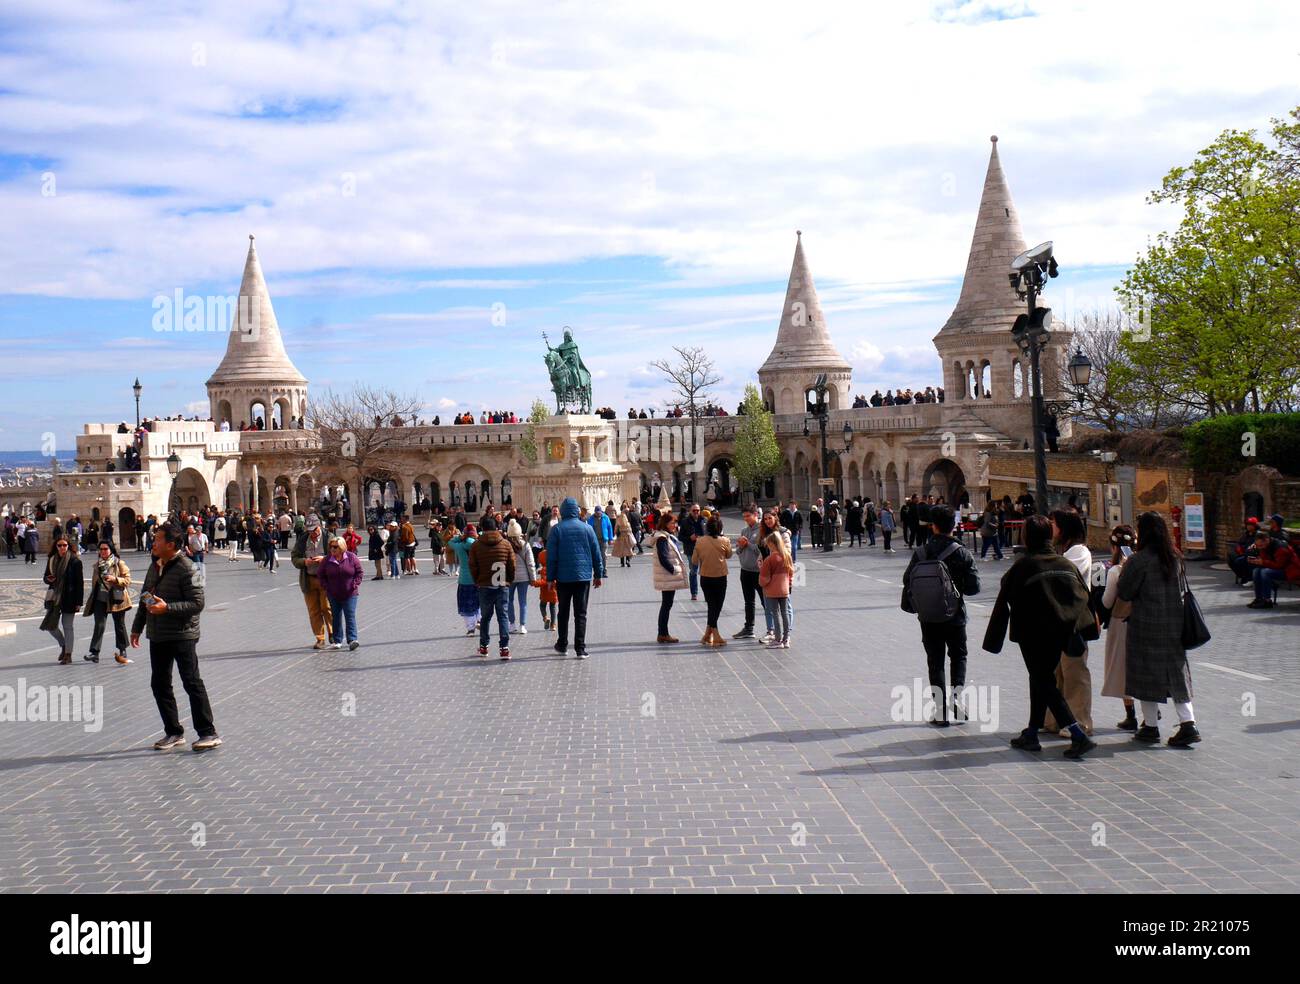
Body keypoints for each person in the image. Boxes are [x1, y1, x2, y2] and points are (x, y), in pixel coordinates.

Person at [983, 514, 1098, 759]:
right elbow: (1083, 597)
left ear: (1026, 536)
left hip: (1032, 634)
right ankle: (1032, 732)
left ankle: (1077, 734)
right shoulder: (1065, 564)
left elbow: (1005, 600)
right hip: (1060, 633)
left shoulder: (1023, 566)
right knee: (1040, 679)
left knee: (1043, 681)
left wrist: (994, 638)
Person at [130, 521, 222, 752]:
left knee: (191, 682)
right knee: (159, 684)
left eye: (158, 539)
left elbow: (198, 603)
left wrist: (167, 608)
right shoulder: (154, 566)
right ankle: (173, 731)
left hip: (183, 634)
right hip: (158, 633)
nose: (154, 542)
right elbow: (146, 597)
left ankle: (208, 732)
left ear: (170, 544)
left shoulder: (193, 567)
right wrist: (137, 627)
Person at [1116, 511, 1201, 747]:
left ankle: (1151, 727)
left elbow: (1125, 591)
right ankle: (1188, 723)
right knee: (1176, 675)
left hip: (1145, 626)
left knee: (1144, 676)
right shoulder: (1174, 557)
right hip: (1174, 625)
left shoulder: (1138, 560)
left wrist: (1123, 568)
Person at [901, 504, 980, 725]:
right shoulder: (962, 552)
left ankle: (940, 710)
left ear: (933, 527)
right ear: (953, 525)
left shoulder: (921, 553)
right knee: (958, 656)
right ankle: (957, 698)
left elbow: (907, 580)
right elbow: (974, 587)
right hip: (955, 616)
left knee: (934, 661)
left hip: (928, 616)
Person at [1043, 510, 1094, 735]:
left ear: (1064, 527)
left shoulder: (1079, 551)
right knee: (1056, 673)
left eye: (1053, 523)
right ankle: (1054, 720)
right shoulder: (1062, 550)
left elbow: (1061, 575)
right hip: (1056, 619)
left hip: (1073, 621)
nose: (1050, 528)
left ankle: (1080, 722)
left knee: (1074, 672)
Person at [545, 497, 604, 659]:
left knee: (563, 612)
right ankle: (580, 648)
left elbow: (551, 557)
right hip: (583, 577)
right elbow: (596, 554)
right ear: (576, 511)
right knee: (581, 613)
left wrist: (550, 578)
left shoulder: (557, 530)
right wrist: (598, 574)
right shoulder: (587, 529)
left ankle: (562, 644)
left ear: (563, 511)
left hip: (563, 578)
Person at [1100, 525, 1137, 730]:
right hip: (1141, 620)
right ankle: (1150, 709)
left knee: (1122, 667)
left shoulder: (1115, 570)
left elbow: (1107, 601)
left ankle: (1130, 714)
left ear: (1114, 546)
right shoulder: (1140, 565)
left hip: (1120, 620)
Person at [468, 516, 515, 660]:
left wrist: (477, 580)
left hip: (484, 586)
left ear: (482, 529)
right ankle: (504, 649)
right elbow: (512, 565)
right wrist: (509, 580)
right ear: (496, 528)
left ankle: (484, 647)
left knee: (486, 618)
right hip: (501, 585)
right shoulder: (506, 544)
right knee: (503, 617)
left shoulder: (476, 545)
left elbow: (473, 566)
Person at [82, 540, 133, 664]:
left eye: (105, 549)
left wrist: (115, 579)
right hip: (100, 598)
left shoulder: (119, 563)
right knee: (99, 625)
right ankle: (95, 652)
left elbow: (127, 580)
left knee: (119, 624)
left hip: (116, 598)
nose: (103, 551)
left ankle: (122, 649)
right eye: (101, 549)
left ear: (111, 550)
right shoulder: (97, 565)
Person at [291, 517, 334, 650]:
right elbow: (294, 557)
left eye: (314, 530)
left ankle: (333, 633)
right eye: (309, 531)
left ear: (319, 526)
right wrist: (304, 562)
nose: (312, 533)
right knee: (314, 610)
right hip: (309, 579)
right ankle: (319, 638)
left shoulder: (329, 537)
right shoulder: (303, 539)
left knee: (327, 608)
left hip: (325, 580)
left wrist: (325, 559)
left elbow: (339, 554)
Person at [41, 536, 84, 665]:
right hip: (54, 597)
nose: (62, 548)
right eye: (59, 545)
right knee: (50, 626)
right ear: (56, 546)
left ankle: (68, 655)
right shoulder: (51, 559)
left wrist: (78, 602)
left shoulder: (75, 561)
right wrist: (49, 579)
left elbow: (79, 583)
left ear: (68, 546)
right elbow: (45, 577)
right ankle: (64, 645)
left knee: (68, 627)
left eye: (64, 545)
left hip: (69, 598)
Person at [692, 516, 733, 647]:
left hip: (705, 577)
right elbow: (729, 555)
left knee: (711, 605)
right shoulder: (725, 540)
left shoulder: (699, 541)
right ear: (720, 528)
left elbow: (694, 561)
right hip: (720, 577)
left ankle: (708, 633)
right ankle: (715, 634)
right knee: (717, 606)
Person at [651, 511, 689, 643]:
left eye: (675, 522)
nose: (675, 525)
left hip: (666, 576)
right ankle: (662, 633)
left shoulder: (665, 536)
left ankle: (663, 633)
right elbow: (663, 557)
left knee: (667, 604)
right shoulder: (662, 538)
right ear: (666, 524)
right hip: (667, 576)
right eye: (672, 523)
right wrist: (673, 570)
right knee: (666, 605)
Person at [319, 537, 363, 650]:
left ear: (342, 547)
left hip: (350, 593)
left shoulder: (351, 557)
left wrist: (355, 584)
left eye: (335, 547)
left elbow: (359, 572)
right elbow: (321, 574)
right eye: (331, 547)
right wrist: (326, 587)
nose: (332, 549)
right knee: (336, 616)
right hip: (333, 594)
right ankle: (337, 640)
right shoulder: (327, 559)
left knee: (350, 615)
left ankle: (352, 639)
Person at [1246, 529, 1300, 609]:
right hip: (1278, 568)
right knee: (1256, 571)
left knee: (1265, 572)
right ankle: (1259, 599)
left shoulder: (1280, 548)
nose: (1259, 548)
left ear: (1267, 540)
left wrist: (1262, 562)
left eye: (1261, 545)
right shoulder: (1264, 546)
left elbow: (1279, 565)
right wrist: (1256, 561)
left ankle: (1267, 601)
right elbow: (1262, 557)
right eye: (1258, 546)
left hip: (1290, 571)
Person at [758, 530, 794, 648]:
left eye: (768, 544)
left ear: (772, 544)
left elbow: (764, 578)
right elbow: (791, 572)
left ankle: (778, 639)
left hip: (772, 591)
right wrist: (788, 584)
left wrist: (763, 582)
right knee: (785, 613)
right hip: (784, 589)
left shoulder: (769, 560)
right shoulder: (786, 556)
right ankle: (786, 638)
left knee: (775, 613)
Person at [733, 505, 762, 639]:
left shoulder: (762, 530)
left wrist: (748, 544)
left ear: (755, 514)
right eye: (744, 517)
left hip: (759, 571)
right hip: (745, 571)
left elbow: (761, 550)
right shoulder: (744, 530)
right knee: (748, 601)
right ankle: (749, 628)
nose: (746, 519)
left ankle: (772, 628)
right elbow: (738, 551)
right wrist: (740, 546)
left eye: (748, 516)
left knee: (765, 601)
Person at [449, 524, 480, 634]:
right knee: (478, 601)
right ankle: (479, 619)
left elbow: (450, 542)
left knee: (466, 604)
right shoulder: (478, 544)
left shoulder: (460, 546)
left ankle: (470, 628)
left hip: (464, 579)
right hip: (477, 578)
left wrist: (459, 537)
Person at [508, 526, 536, 635]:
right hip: (524, 577)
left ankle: (511, 624)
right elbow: (530, 563)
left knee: (509, 600)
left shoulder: (506, 544)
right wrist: (533, 578)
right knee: (522, 601)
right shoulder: (525, 545)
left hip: (510, 577)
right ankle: (522, 625)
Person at [678, 502, 706, 601]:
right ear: (690, 511)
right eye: (694, 510)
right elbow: (680, 537)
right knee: (693, 571)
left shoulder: (703, 520)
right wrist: (690, 538)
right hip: (691, 550)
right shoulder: (685, 522)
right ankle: (694, 593)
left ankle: (707, 593)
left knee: (705, 572)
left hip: (704, 550)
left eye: (697, 510)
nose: (696, 512)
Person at [1227, 517, 1261, 584]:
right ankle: (1242, 575)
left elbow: (1256, 546)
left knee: (1239, 561)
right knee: (1230, 557)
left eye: (1250, 524)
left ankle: (1248, 578)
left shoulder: (1258, 535)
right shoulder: (1245, 534)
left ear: (1255, 526)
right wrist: (1238, 548)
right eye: (1248, 524)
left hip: (1252, 554)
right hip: (1242, 553)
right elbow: (1239, 543)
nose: (1248, 526)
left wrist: (1247, 550)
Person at [535, 545, 558, 631]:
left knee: (542, 605)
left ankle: (545, 618)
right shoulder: (554, 567)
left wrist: (535, 583)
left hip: (545, 591)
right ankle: (553, 625)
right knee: (553, 607)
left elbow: (544, 581)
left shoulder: (544, 569)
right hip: (554, 591)